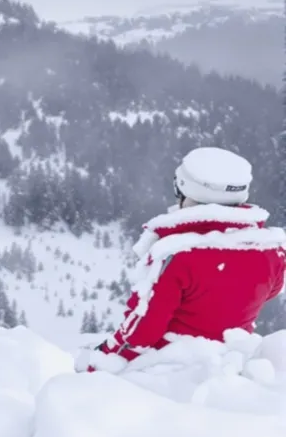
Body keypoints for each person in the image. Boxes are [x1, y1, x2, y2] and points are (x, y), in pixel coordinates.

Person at [78, 146, 286, 373]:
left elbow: (142, 331)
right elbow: (270, 291)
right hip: (229, 361)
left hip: (169, 369)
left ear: (186, 189)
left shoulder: (176, 254)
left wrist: (100, 361)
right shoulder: (272, 250)